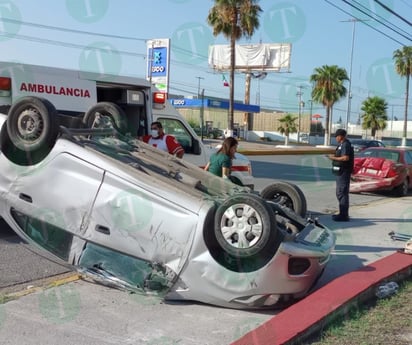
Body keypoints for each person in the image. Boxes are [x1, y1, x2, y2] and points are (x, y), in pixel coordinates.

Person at [327, 129, 354, 222]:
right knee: (339, 192)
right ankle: (342, 213)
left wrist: (333, 158)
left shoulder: (346, 144)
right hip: (340, 172)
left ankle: (344, 216)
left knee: (342, 192)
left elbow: (346, 157)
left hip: (344, 172)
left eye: (337, 136)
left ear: (342, 136)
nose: (336, 138)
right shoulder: (341, 145)